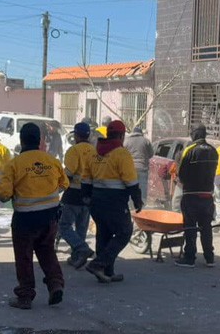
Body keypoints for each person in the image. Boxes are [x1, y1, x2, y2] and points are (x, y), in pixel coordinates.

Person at [0, 123, 69, 309]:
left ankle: (25, 296)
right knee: (47, 251)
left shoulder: (14, 164)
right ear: (40, 141)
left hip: (25, 220)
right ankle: (55, 284)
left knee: (24, 257)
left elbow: (4, 194)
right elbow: (64, 184)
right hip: (50, 217)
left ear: (21, 141)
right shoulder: (51, 161)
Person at [83, 120, 143, 283]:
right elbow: (131, 181)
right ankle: (98, 264)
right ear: (122, 135)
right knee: (124, 232)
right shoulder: (121, 153)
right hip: (114, 201)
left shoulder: (94, 152)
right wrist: (137, 201)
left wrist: (87, 197)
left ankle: (107, 273)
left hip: (96, 199)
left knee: (104, 234)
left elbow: (86, 178)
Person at [174, 126, 220, 267]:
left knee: (190, 227)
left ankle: (189, 258)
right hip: (207, 196)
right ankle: (209, 258)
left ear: (193, 135)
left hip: (191, 195)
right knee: (206, 227)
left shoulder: (189, 150)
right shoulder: (213, 151)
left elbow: (180, 173)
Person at [61, 122, 97, 269]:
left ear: (76, 135)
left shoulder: (74, 151)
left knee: (63, 226)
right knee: (81, 227)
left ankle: (82, 248)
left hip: (73, 194)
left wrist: (59, 188)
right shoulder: (94, 151)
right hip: (89, 194)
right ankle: (77, 257)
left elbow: (68, 174)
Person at [124, 125, 154, 201]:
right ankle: (142, 209)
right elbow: (151, 154)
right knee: (142, 190)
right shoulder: (146, 141)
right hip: (142, 169)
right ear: (141, 133)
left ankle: (131, 207)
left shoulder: (126, 141)